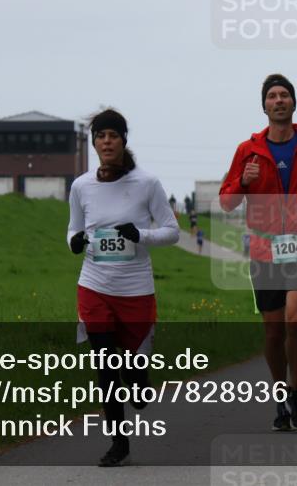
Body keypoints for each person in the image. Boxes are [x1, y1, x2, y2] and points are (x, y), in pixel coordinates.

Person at [219, 74, 297, 432]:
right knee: (273, 332)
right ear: (264, 106)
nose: (279, 100)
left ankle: (295, 388)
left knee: (296, 318)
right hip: (264, 248)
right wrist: (244, 182)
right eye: (272, 96)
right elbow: (227, 203)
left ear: (293, 103)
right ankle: (279, 394)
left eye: (284, 94)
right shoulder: (247, 151)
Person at [66, 108, 180, 467]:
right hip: (94, 285)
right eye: (101, 136)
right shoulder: (81, 185)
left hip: (135, 290)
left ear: (123, 140)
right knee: (105, 365)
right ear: (94, 142)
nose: (107, 141)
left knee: (134, 381)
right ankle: (119, 442)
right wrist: (75, 241)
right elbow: (73, 228)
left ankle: (139, 378)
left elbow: (172, 231)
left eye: (113, 135)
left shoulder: (147, 183)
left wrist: (140, 235)